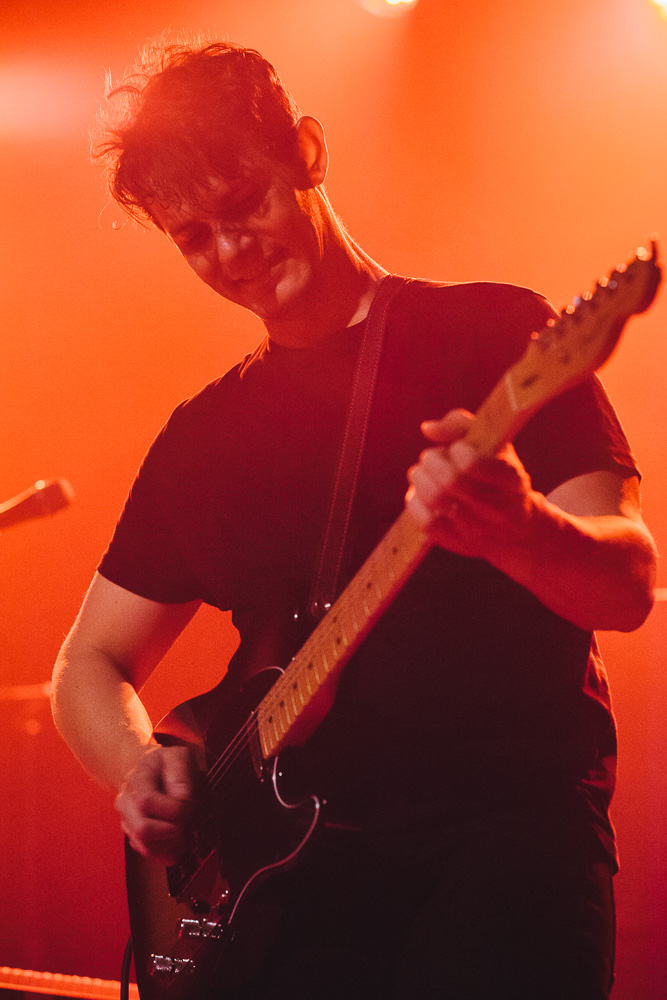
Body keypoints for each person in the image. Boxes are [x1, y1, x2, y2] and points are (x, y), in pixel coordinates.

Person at [51, 39, 657, 1000]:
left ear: (307, 151)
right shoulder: (201, 437)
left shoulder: (497, 335)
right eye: (194, 236)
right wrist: (138, 772)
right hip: (286, 897)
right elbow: (87, 662)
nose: (231, 252)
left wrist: (519, 530)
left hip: (504, 846)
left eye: (244, 203)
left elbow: (626, 587)